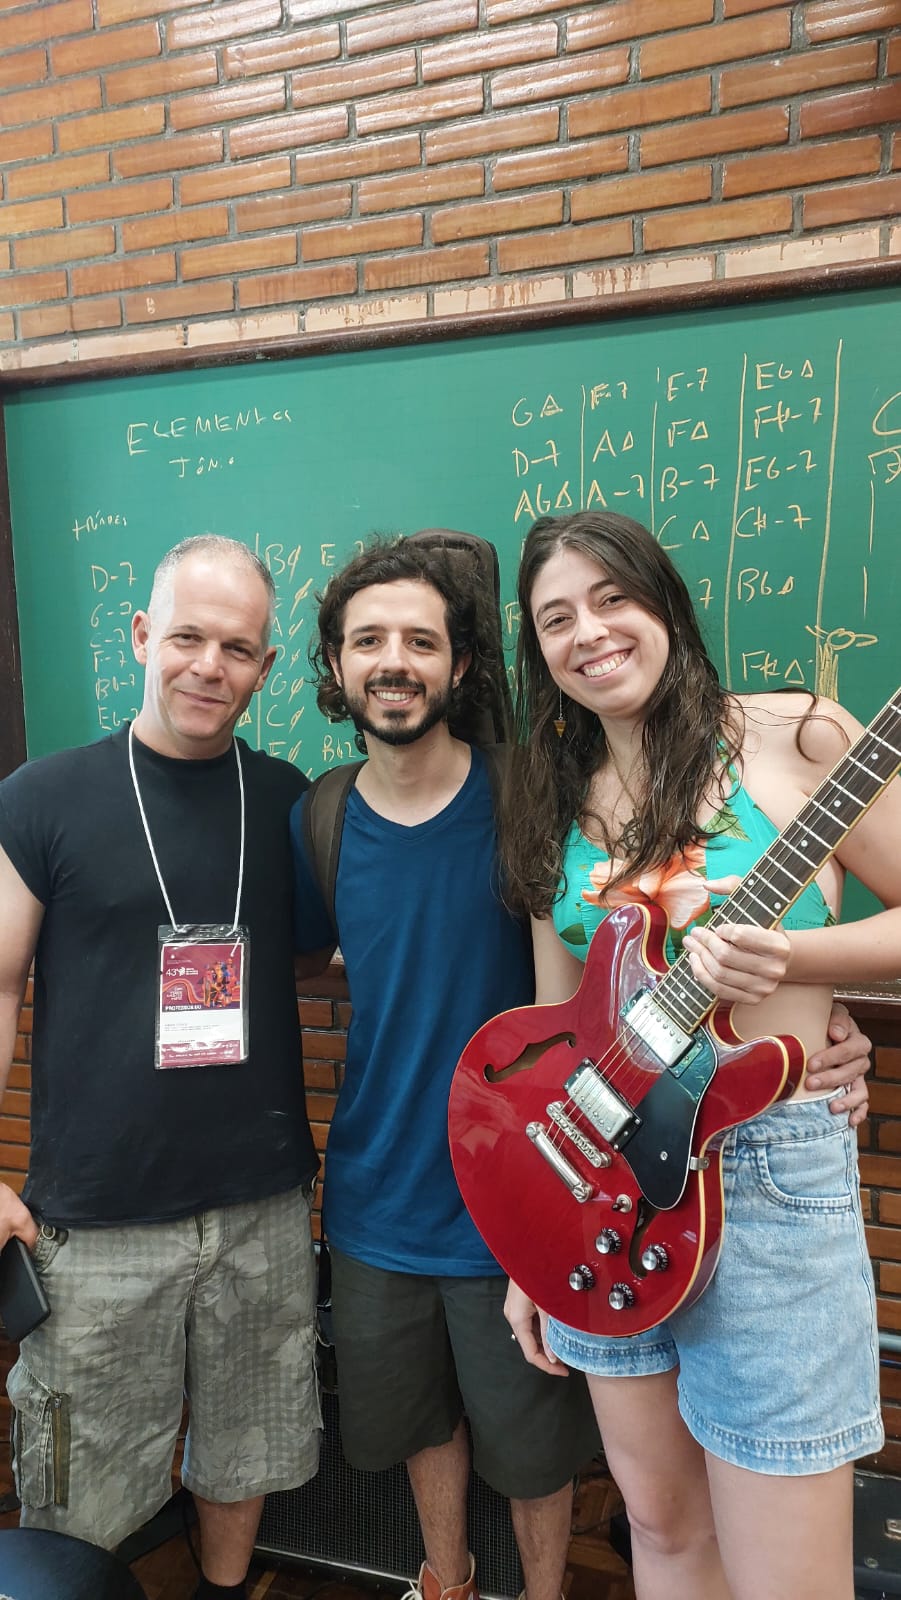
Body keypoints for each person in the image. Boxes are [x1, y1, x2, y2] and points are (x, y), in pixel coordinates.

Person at [501, 511, 895, 1600]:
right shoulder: (549, 797)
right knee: (662, 1533)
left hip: (769, 1175)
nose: (590, 631)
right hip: (600, 1181)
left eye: (612, 597)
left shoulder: (795, 735)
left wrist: (790, 957)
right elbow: (552, 1025)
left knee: (789, 1578)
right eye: (556, 618)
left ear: (665, 601)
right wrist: (532, 1244)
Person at [0, 536, 321, 1600]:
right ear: (141, 636)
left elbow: (340, 950)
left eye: (236, 647)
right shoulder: (41, 798)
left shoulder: (290, 803)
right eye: (185, 636)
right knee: (79, 1477)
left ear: (265, 667)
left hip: (261, 1204)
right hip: (96, 1219)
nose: (207, 666)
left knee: (248, 1446)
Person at [289, 537, 602, 1600]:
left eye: (420, 640)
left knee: (532, 1443)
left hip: (515, 1198)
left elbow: (598, 985)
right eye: (367, 639)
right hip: (376, 1199)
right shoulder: (320, 817)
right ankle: (445, 1580)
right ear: (334, 667)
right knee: (419, 1420)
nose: (394, 659)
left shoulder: (532, 800)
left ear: (459, 666)